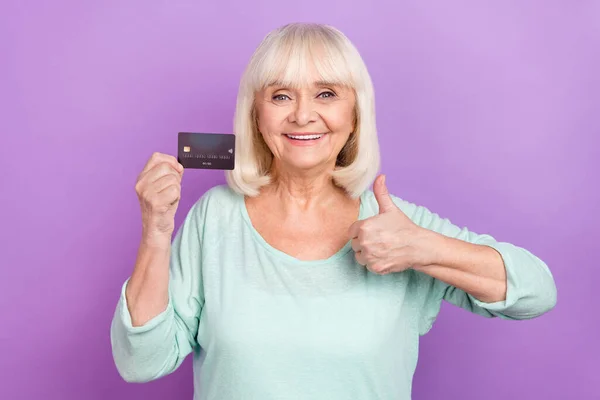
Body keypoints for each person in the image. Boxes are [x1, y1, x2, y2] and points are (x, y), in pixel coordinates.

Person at [110, 22, 557, 400]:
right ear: (256, 116)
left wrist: (422, 248)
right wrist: (156, 230)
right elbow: (141, 362)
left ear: (356, 115)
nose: (303, 115)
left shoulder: (396, 228)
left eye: (326, 94)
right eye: (281, 96)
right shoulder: (215, 218)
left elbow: (536, 293)